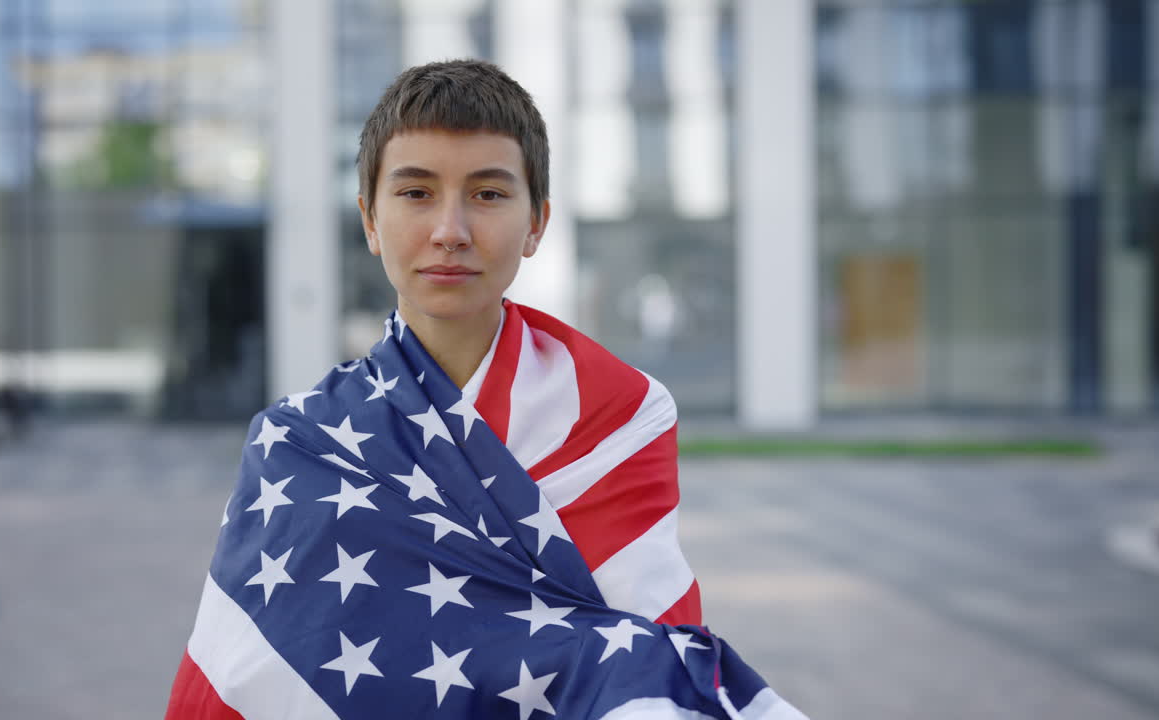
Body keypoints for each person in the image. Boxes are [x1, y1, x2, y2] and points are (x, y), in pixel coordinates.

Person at [165, 59, 805, 720]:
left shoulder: (619, 415)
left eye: (488, 194)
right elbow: (246, 668)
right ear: (369, 220)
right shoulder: (295, 443)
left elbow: (643, 661)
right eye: (416, 193)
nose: (451, 231)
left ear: (537, 223)